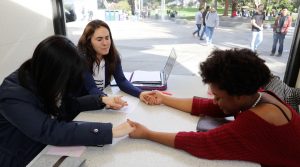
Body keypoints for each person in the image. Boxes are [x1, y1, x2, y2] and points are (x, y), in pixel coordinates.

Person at [128, 48, 300, 167]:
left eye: (219, 97)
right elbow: (208, 106)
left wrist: (147, 133)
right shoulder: (257, 94)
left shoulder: (255, 120)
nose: (215, 101)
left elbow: (203, 144)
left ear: (238, 95)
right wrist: (164, 99)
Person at [0, 35, 135, 166]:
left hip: (44, 148)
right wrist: (110, 132)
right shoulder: (13, 95)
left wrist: (101, 100)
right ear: (53, 71)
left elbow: (67, 105)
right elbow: (49, 131)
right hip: (20, 157)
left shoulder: (42, 76)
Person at [77, 20, 153, 104]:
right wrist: (108, 100)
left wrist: (140, 93)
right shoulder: (81, 59)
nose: (105, 43)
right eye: (99, 39)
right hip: (82, 108)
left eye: (107, 37)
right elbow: (91, 88)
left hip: (100, 102)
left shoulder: (112, 56)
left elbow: (122, 81)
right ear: (89, 42)